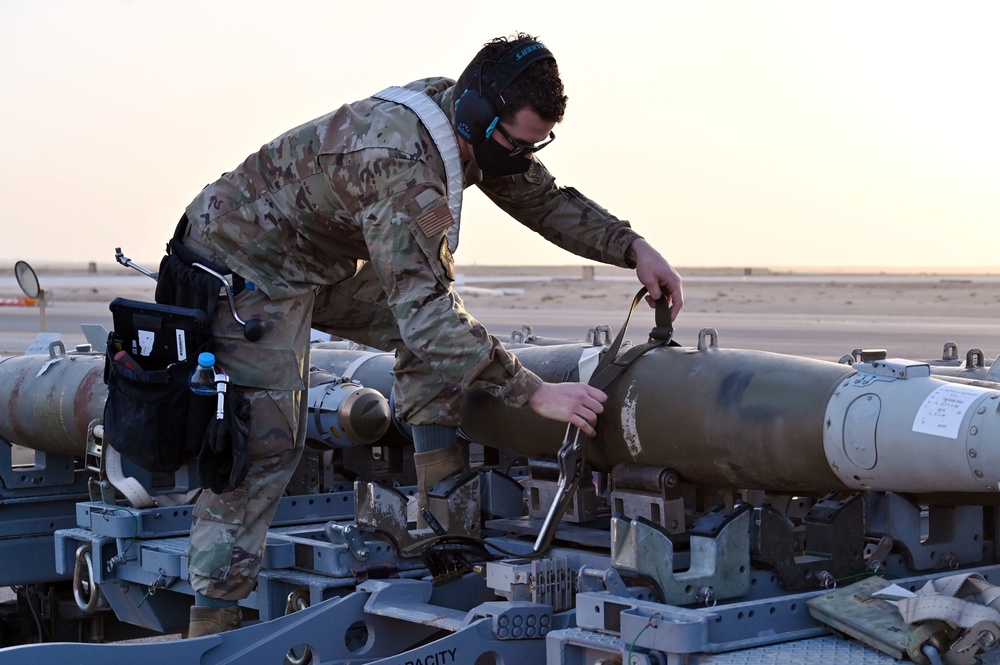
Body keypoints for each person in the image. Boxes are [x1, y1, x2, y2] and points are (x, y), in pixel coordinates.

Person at [175, 32, 684, 637]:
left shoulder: (465, 127)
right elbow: (426, 316)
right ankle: (211, 626)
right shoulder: (405, 164)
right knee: (265, 441)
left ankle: (445, 530)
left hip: (316, 265)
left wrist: (632, 247)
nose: (519, 157)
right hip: (242, 266)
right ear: (476, 114)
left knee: (443, 340)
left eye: (534, 144)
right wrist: (533, 391)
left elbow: (543, 202)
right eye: (514, 142)